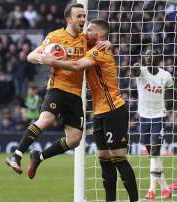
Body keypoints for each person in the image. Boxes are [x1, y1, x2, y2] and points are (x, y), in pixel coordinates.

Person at [5, 3, 110, 179]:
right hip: (57, 89)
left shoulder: (85, 39)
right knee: (46, 119)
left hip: (75, 94)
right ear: (69, 19)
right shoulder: (55, 36)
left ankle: (39, 157)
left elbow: (101, 40)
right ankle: (16, 155)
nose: (83, 19)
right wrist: (44, 59)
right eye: (79, 16)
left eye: (84, 16)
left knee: (75, 139)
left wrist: (107, 42)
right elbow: (31, 56)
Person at [40, 19, 139, 202]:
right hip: (100, 112)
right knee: (103, 157)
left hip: (114, 109)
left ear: (100, 34)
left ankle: (135, 199)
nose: (86, 31)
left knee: (118, 157)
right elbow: (75, 50)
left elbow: (77, 66)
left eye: (90, 29)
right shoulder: (93, 47)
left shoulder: (99, 50)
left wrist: (50, 60)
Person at [132, 49, 173, 199]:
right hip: (144, 117)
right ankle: (165, 187)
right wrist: (135, 65)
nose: (148, 57)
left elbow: (171, 91)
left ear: (158, 58)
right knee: (153, 156)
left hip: (158, 117)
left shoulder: (165, 76)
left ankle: (151, 190)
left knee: (155, 153)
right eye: (146, 55)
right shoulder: (141, 71)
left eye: (151, 55)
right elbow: (135, 72)